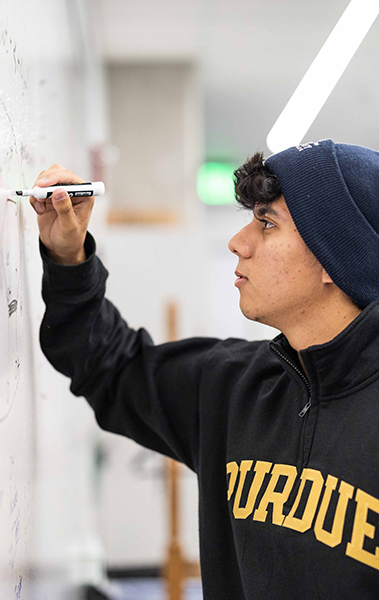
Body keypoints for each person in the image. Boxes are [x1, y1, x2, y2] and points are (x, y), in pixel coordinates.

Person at [32, 139, 379, 599]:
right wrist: (68, 258)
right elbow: (108, 365)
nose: (238, 243)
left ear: (333, 258)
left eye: (266, 223)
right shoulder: (235, 388)